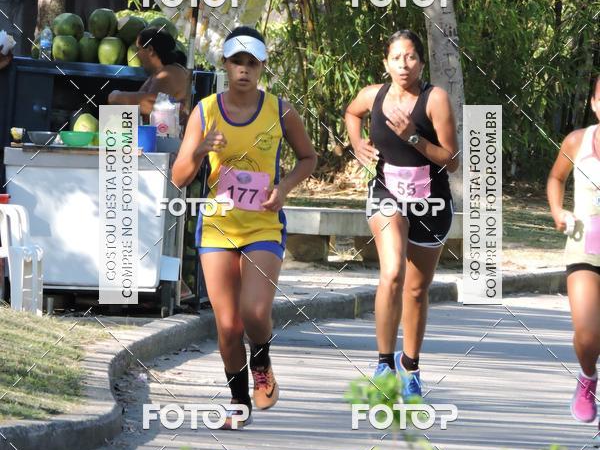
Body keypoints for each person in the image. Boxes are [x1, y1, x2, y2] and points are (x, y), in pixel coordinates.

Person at [172, 26, 317, 428]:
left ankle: (263, 361)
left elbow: (308, 158)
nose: (244, 70)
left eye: (252, 63)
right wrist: (200, 149)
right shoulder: (205, 111)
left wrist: (284, 188)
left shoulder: (280, 110)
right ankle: (239, 403)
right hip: (217, 227)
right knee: (228, 325)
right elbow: (179, 177)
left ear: (262, 67)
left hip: (262, 226)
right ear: (225, 64)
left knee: (254, 312)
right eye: (237, 61)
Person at [345, 29, 459, 398]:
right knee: (392, 272)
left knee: (415, 289)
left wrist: (414, 137)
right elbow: (351, 111)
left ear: (421, 62)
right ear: (386, 64)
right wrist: (357, 143)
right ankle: (383, 363)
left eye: (410, 57)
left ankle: (410, 366)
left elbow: (452, 161)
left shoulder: (434, 99)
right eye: (396, 58)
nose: (404, 64)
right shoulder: (372, 95)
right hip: (387, 194)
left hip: (432, 202)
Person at [547, 75, 600, 428]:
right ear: (595, 103)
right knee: (586, 332)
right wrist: (557, 212)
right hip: (586, 243)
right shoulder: (577, 141)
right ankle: (587, 378)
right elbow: (555, 179)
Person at [108, 28, 190, 120]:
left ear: (150, 50)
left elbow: (153, 105)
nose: (137, 54)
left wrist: (116, 96)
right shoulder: (158, 73)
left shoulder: (169, 73)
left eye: (138, 49)